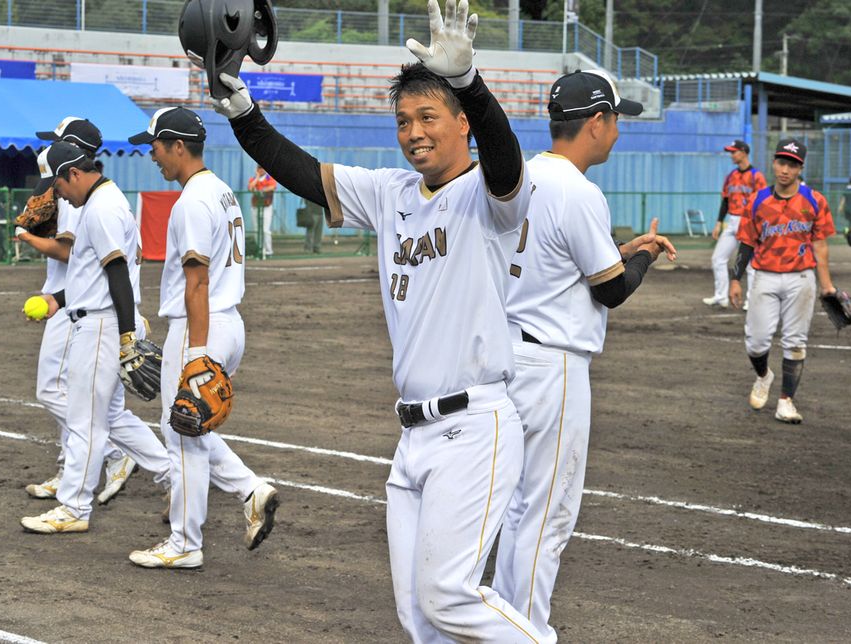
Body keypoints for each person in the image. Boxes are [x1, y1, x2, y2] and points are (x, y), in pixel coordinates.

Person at [204, 0, 543, 638]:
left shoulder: (491, 197)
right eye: (403, 120)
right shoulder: (389, 192)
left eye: (429, 117)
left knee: (447, 597)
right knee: (418, 616)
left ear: (462, 123)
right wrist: (242, 110)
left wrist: (470, 81)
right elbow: (299, 170)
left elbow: (504, 159)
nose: (414, 131)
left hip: (475, 428)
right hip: (411, 437)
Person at [492, 69, 676, 642]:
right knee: (548, 513)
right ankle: (527, 632)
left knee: (517, 508)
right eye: (616, 120)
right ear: (596, 121)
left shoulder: (518, 177)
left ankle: (499, 621)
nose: (618, 132)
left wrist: (625, 249)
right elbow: (611, 289)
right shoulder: (578, 189)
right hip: (554, 368)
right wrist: (640, 260)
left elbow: (555, 262)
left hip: (506, 358)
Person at [126, 107, 279, 569]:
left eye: (154, 145)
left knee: (182, 435)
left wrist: (194, 352)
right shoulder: (220, 189)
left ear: (176, 145)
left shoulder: (192, 199)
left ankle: (185, 543)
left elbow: (197, 281)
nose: (150, 153)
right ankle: (250, 489)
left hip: (202, 324)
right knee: (194, 424)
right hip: (228, 323)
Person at [20, 142, 171, 534]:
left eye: (58, 187)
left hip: (103, 324)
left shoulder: (101, 206)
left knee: (85, 421)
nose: (57, 196)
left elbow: (116, 272)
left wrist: (125, 335)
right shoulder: (102, 201)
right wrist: (58, 300)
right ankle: (176, 477)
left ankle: (73, 508)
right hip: (96, 317)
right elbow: (95, 276)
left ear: (73, 173)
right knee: (102, 418)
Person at [17, 118, 137, 505]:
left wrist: (26, 237)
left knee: (58, 391)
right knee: (94, 400)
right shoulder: (84, 195)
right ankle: (75, 463)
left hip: (81, 304)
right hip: (74, 301)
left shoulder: (76, 198)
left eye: (56, 143)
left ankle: (107, 453)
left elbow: (70, 253)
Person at [729, 138, 836, 424]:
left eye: (792, 164)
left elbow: (821, 246)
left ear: (800, 168)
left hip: (801, 279)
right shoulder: (758, 200)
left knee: (795, 342)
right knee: (756, 342)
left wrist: (827, 285)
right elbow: (746, 244)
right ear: (774, 163)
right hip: (764, 276)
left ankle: (786, 402)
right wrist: (735, 280)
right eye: (781, 162)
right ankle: (763, 375)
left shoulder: (814, 199)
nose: (785, 169)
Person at [704, 139, 767, 310]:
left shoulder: (756, 176)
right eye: (730, 152)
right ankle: (721, 296)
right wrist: (718, 222)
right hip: (732, 221)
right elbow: (725, 200)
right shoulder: (731, 176)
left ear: (744, 152)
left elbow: (763, 203)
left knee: (751, 263)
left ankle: (751, 300)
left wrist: (758, 226)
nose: (731, 155)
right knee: (718, 258)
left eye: (734, 151)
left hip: (749, 221)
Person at [247, 164, 276, 257]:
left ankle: (268, 251)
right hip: (255, 206)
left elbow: (273, 187)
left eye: (262, 167)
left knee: (265, 230)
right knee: (256, 229)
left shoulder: (268, 178)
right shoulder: (253, 178)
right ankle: (260, 249)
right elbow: (251, 188)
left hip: (266, 206)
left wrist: (260, 190)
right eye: (259, 168)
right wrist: (257, 177)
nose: (261, 169)